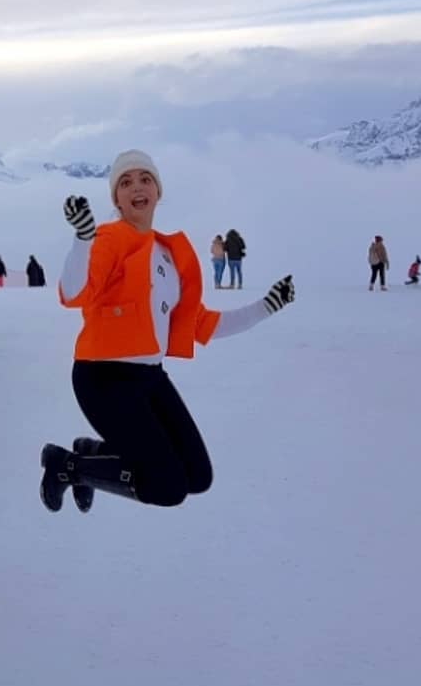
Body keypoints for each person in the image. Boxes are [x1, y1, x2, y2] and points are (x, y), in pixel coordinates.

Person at [39, 149, 295, 514]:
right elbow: (73, 292)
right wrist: (83, 239)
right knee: (166, 486)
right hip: (103, 378)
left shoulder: (168, 253)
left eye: (145, 179)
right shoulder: (109, 238)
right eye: (125, 183)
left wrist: (266, 306)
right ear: (116, 199)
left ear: (158, 190)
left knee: (197, 476)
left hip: (150, 378)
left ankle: (92, 452)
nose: (136, 188)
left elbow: (200, 324)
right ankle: (67, 466)